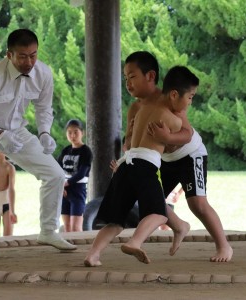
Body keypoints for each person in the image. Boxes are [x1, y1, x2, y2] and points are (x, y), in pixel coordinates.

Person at [0, 29, 76, 258]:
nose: (29, 61)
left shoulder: (43, 73)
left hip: (17, 130)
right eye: (23, 56)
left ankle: (48, 231)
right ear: (9, 55)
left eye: (33, 55)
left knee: (54, 174)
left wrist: (44, 133)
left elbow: (44, 108)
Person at [84, 66, 198, 267]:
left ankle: (93, 255)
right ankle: (135, 242)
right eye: (190, 97)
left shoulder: (143, 108)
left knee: (115, 222)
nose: (190, 103)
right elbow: (188, 135)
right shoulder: (169, 118)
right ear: (174, 95)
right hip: (144, 167)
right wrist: (169, 137)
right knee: (159, 213)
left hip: (125, 166)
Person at [125, 51, 233, 262]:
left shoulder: (168, 102)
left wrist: (167, 136)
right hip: (165, 160)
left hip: (191, 155)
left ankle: (224, 246)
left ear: (150, 77)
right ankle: (179, 226)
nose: (128, 83)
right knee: (150, 197)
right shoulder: (135, 108)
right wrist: (128, 154)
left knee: (198, 204)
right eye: (126, 78)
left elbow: (187, 133)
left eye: (132, 76)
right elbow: (130, 141)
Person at [57, 119, 93, 232]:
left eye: (76, 132)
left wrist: (65, 184)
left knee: (75, 227)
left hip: (78, 190)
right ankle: (68, 248)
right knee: (67, 227)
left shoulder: (86, 151)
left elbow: (82, 173)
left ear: (82, 133)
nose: (72, 135)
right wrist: (60, 185)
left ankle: (80, 249)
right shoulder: (65, 150)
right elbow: (57, 169)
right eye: (69, 132)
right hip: (63, 190)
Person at [0, 149, 17, 236]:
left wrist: (12, 211)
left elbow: (11, 189)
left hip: (6, 205)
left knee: (7, 239)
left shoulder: (9, 167)